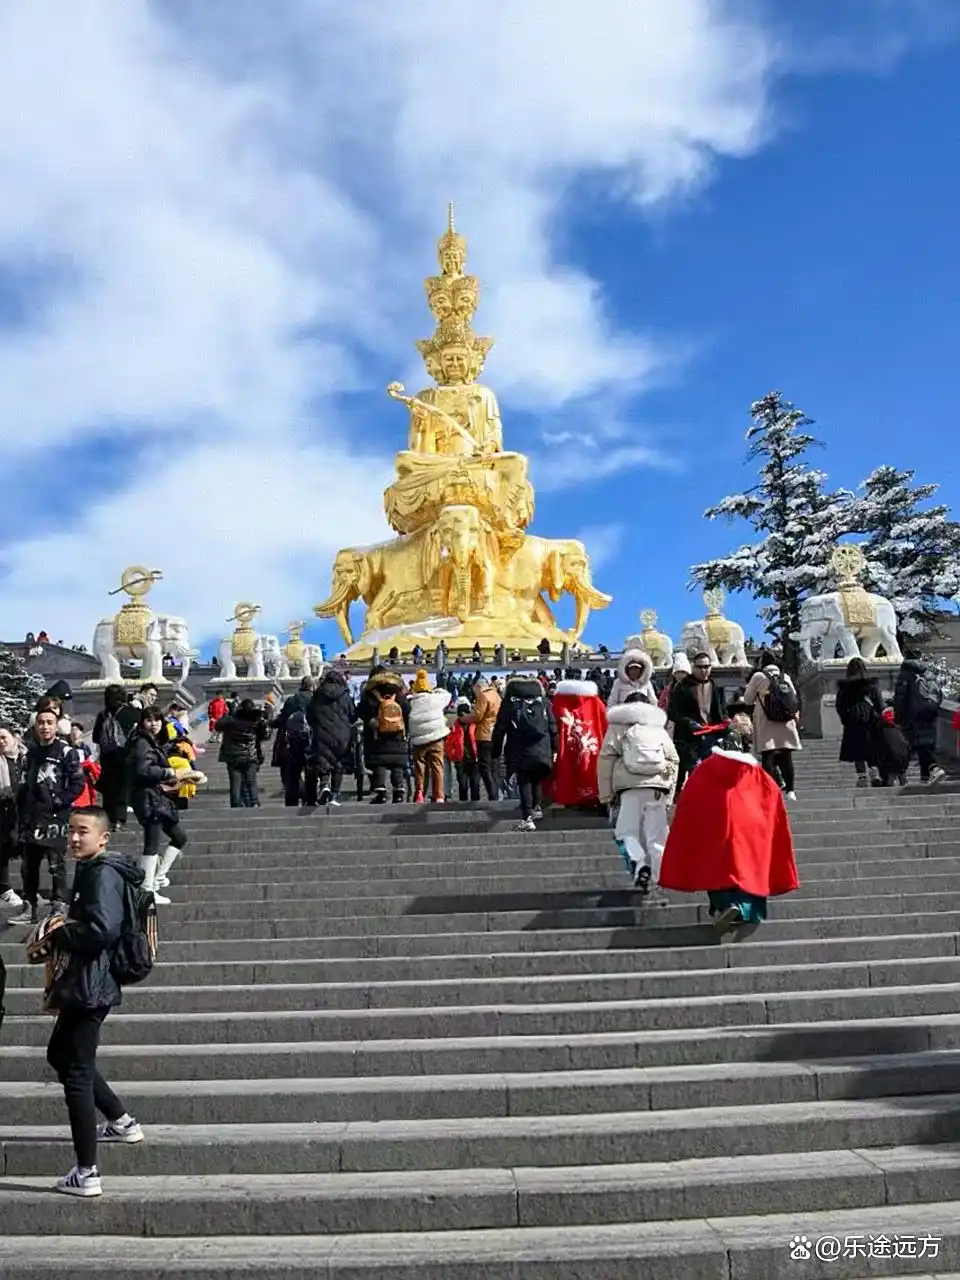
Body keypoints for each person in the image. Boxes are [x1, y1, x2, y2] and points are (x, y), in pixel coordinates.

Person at [40, 807, 144, 1197]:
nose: (74, 838)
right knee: (58, 1054)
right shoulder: (93, 869)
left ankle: (87, 1172)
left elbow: (102, 929)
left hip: (91, 984)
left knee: (78, 1073)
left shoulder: (102, 873)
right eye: (70, 831)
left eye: (83, 831)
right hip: (84, 982)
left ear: (103, 838)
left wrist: (59, 933)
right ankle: (121, 1121)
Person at [659, 733, 799, 935]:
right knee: (751, 870)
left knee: (716, 870)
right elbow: (773, 797)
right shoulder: (756, 773)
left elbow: (689, 798)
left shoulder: (704, 770)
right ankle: (746, 910)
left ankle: (725, 906)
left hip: (713, 830)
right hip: (751, 830)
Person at [597, 692, 678, 893]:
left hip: (629, 788)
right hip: (657, 788)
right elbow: (673, 759)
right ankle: (661, 878)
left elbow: (606, 758)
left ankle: (639, 864)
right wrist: (669, 792)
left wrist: (606, 794)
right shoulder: (657, 728)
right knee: (658, 837)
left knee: (625, 833)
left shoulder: (618, 726)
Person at [13, 707, 85, 924]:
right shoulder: (30, 753)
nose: (44, 726)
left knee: (56, 864)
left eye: (49, 722)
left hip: (56, 818)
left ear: (56, 725)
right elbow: (24, 782)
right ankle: (30, 907)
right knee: (29, 866)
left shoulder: (66, 752)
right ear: (36, 725)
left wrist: (59, 800)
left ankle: (59, 905)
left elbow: (78, 783)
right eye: (41, 722)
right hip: (31, 816)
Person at [127, 706, 189, 904]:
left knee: (179, 837)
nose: (153, 724)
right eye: (148, 720)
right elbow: (143, 770)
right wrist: (167, 773)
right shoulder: (142, 743)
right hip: (146, 798)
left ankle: (158, 877)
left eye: (157, 720)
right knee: (152, 843)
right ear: (142, 723)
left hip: (156, 797)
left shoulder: (154, 742)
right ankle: (147, 889)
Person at [491, 675, 557, 831]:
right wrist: (555, 748)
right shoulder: (544, 702)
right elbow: (553, 727)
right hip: (543, 748)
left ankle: (527, 817)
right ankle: (536, 809)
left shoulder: (509, 703)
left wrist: (495, 750)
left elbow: (500, 728)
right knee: (537, 779)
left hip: (519, 748)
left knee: (525, 781)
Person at [743, 651, 802, 801]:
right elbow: (793, 697)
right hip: (786, 721)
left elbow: (748, 700)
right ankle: (790, 791)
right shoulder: (785, 676)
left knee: (768, 755)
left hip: (766, 719)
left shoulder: (758, 677)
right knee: (786, 755)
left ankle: (769, 791)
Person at [669, 651, 728, 794]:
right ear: (693, 668)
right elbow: (673, 713)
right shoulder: (682, 687)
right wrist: (689, 723)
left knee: (711, 775)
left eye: (707, 666)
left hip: (712, 736)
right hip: (689, 738)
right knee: (695, 773)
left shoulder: (716, 687)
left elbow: (722, 711)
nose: (704, 670)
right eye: (700, 667)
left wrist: (726, 723)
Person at [549, 677, 607, 808]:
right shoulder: (594, 701)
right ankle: (590, 798)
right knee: (589, 769)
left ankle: (571, 799)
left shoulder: (559, 702)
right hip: (591, 746)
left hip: (567, 747)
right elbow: (605, 724)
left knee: (569, 770)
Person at [358, 666, 410, 804]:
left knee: (379, 764)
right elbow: (407, 709)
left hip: (377, 736)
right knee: (396, 764)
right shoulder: (397, 692)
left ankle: (381, 792)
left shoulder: (370, 693)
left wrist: (371, 719)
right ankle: (398, 790)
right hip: (397, 734)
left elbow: (361, 711)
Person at [306, 666, 356, 806]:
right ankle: (334, 795)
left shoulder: (317, 694)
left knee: (323, 761)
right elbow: (353, 715)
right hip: (342, 736)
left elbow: (309, 714)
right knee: (338, 764)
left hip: (321, 733)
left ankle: (324, 785)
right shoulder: (345, 696)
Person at [894, 656, 946, 785]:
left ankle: (934, 768)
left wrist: (898, 717)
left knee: (919, 745)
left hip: (913, 715)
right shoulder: (928, 675)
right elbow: (939, 695)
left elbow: (901, 698)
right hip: (930, 713)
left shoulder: (904, 676)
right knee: (925, 743)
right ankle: (925, 778)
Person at [92, 686, 138, 830]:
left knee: (109, 788)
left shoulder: (103, 714)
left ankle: (108, 818)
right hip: (126, 755)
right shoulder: (133, 712)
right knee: (122, 787)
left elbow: (95, 737)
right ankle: (120, 819)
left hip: (107, 756)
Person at [835, 657, 885, 787]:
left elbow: (839, 705)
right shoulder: (871, 685)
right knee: (872, 747)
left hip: (853, 720)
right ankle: (875, 773)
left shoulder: (845, 687)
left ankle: (862, 777)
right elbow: (879, 704)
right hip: (870, 719)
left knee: (857, 750)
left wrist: (845, 718)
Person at [407, 669, 451, 803]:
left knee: (420, 768)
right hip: (436, 737)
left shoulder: (411, 702)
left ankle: (420, 793)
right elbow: (447, 695)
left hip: (418, 739)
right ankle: (439, 795)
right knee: (437, 766)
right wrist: (436, 689)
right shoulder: (436, 698)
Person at [216, 700, 270, 808]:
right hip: (250, 756)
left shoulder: (231, 722)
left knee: (235, 784)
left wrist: (230, 714)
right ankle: (254, 802)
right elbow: (265, 736)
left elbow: (217, 726)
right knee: (251, 782)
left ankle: (236, 805)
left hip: (233, 756)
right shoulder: (255, 723)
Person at [273, 678, 316, 806]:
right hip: (311, 740)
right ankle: (311, 798)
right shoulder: (316, 700)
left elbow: (283, 718)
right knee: (311, 771)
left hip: (292, 741)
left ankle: (292, 800)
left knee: (293, 773)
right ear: (312, 687)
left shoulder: (292, 700)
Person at [0, 723, 25, 910]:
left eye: (3, 737)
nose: (1, 742)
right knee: (3, 851)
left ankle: (29, 890)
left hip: (24, 811)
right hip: (3, 812)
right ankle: (5, 889)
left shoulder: (26, 758)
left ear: (14, 738)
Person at [468, 677, 501, 801]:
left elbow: (477, 716)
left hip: (484, 734)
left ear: (478, 687)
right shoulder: (496, 695)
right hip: (495, 733)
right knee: (494, 767)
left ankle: (492, 794)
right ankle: (496, 794)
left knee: (484, 767)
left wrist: (464, 719)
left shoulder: (483, 696)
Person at [446, 698, 480, 800]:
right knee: (463, 785)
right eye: (462, 715)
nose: (465, 717)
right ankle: (463, 807)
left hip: (474, 759)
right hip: (461, 760)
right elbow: (448, 744)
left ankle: (476, 806)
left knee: (475, 784)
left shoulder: (475, 725)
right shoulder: (454, 727)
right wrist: (453, 755)